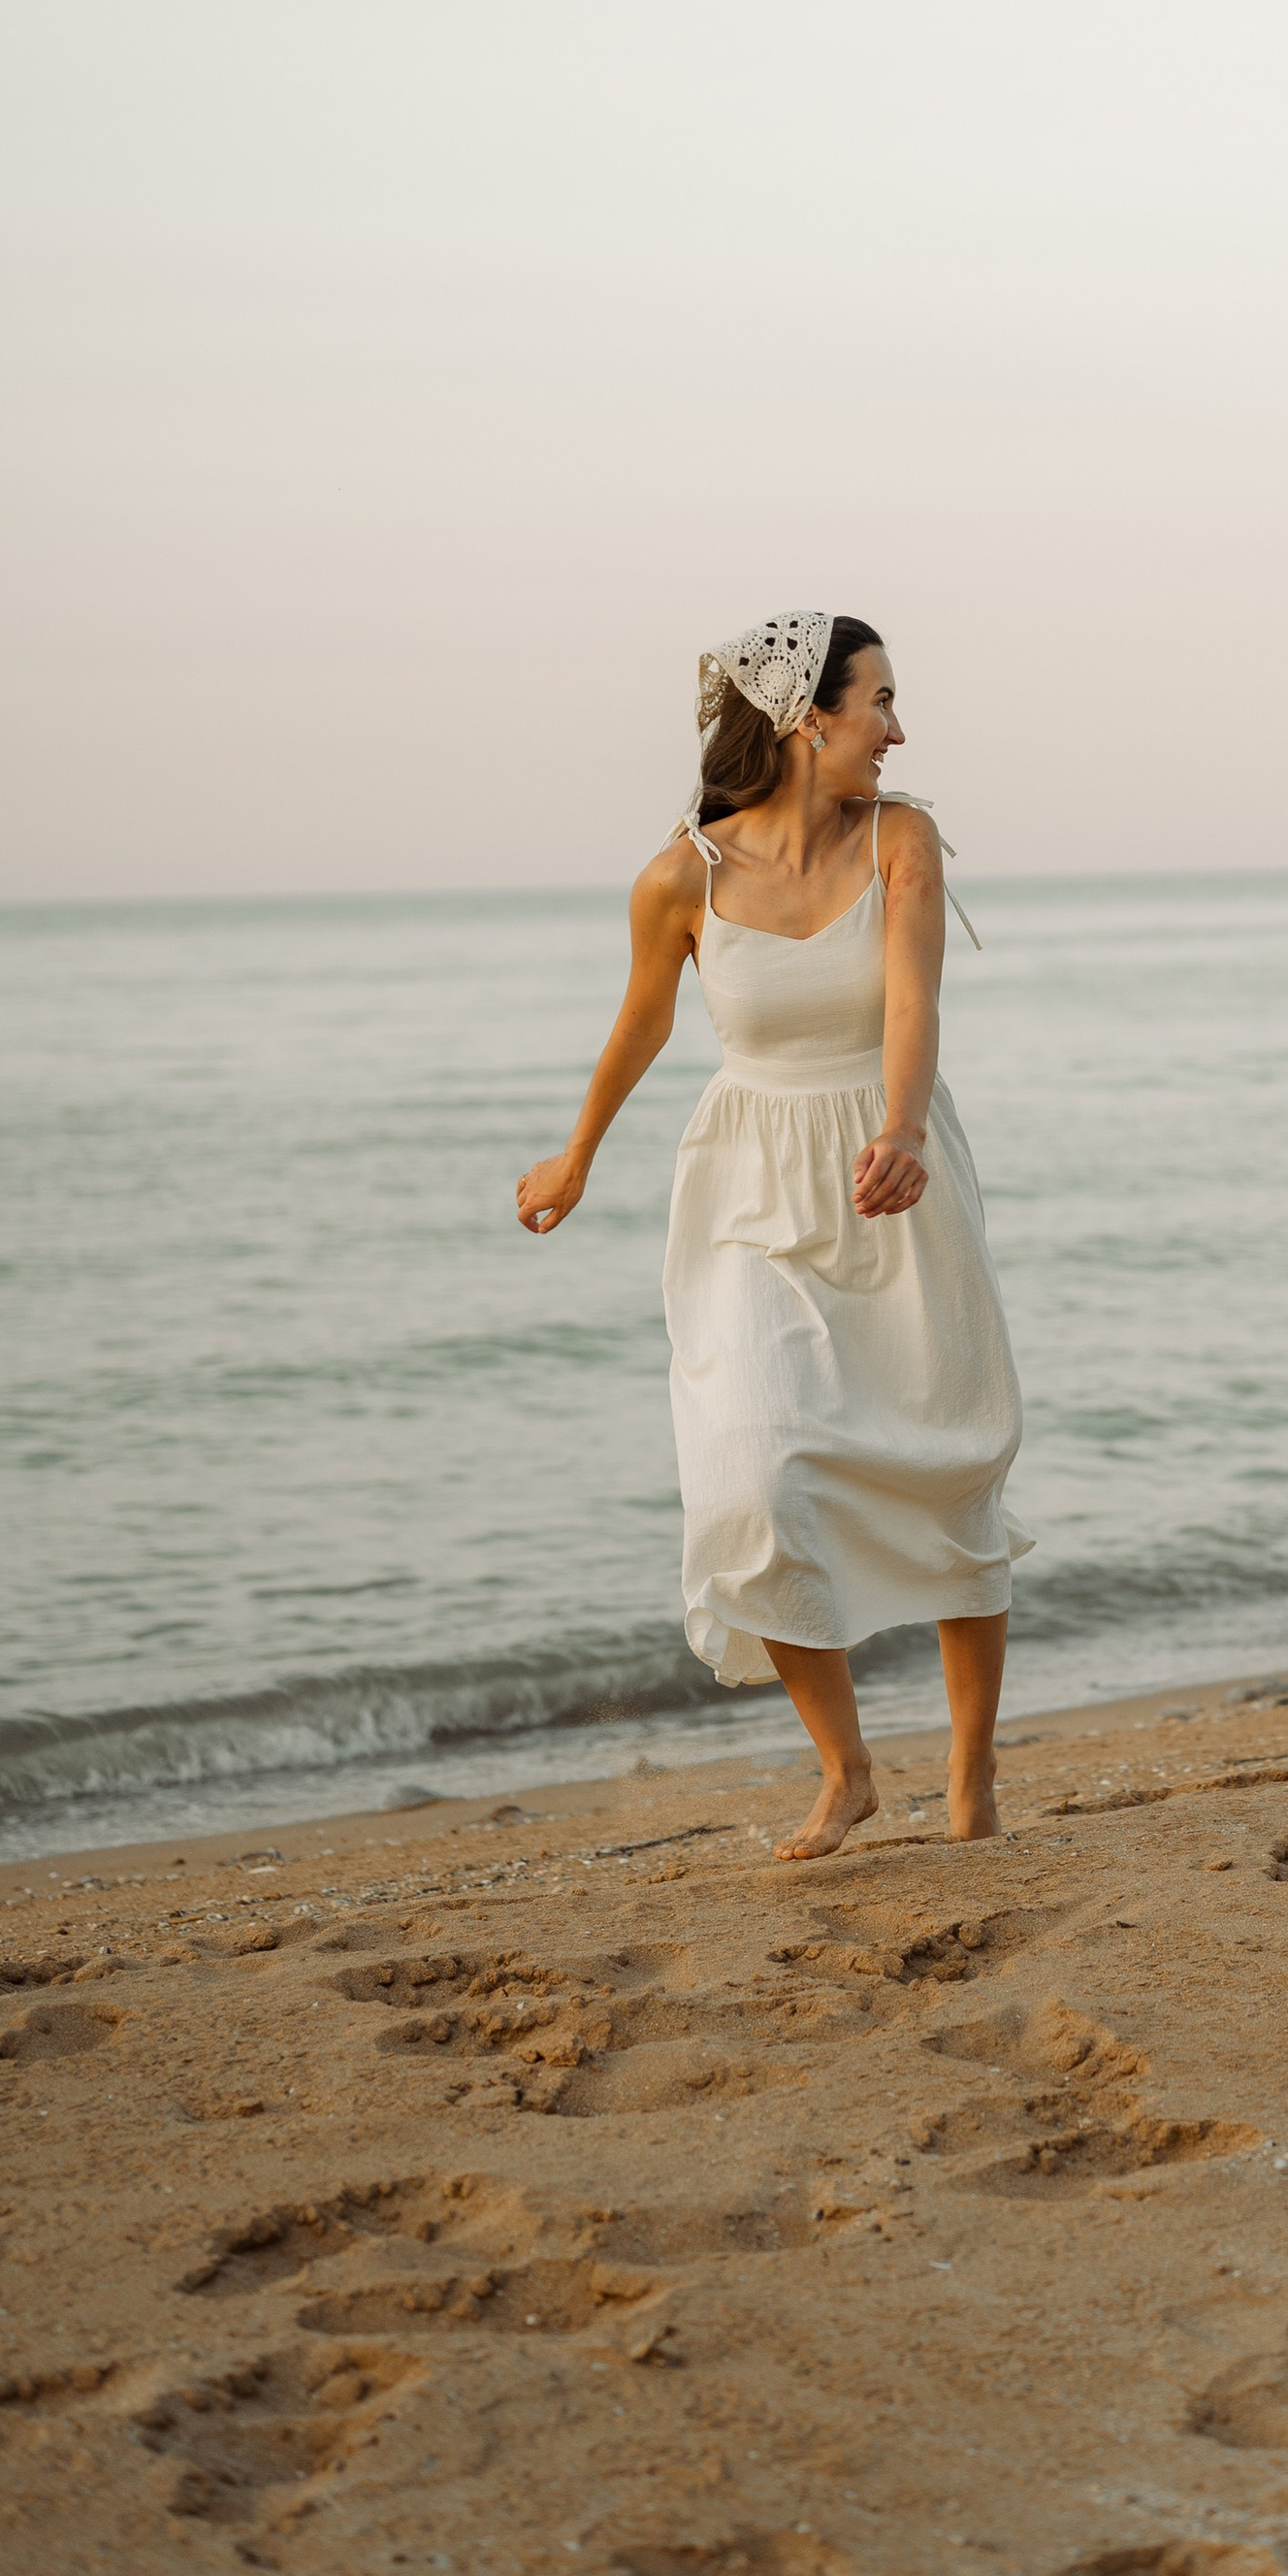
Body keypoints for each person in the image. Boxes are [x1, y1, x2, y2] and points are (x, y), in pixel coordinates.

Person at [517, 610, 1030, 1856]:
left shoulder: (900, 838)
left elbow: (912, 996)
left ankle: (969, 1777)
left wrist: (903, 1129)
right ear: (812, 721)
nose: (899, 730)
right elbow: (641, 1019)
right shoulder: (679, 874)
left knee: (948, 1465)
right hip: (748, 1180)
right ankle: (845, 1769)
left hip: (892, 1163)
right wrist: (579, 1148)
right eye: (881, 703)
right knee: (750, 1474)